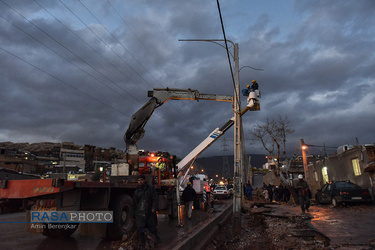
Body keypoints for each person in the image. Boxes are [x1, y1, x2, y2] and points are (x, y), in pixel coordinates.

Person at [131, 175, 160, 249]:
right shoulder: (136, 192)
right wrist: (133, 215)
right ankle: (143, 245)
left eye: (141, 180)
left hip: (149, 212)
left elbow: (155, 199)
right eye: (138, 180)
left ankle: (156, 238)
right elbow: (134, 204)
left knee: (152, 228)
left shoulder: (150, 189)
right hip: (140, 213)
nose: (140, 182)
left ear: (144, 181)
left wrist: (153, 208)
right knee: (140, 230)